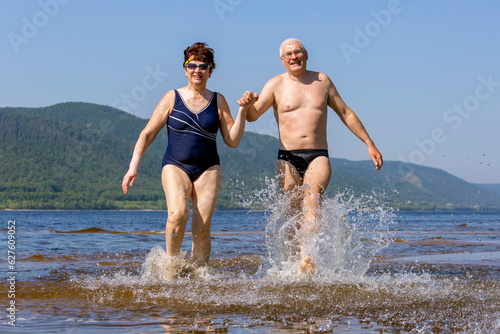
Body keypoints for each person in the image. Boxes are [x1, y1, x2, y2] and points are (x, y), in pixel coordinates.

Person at [240, 38, 383, 275]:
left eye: (298, 52)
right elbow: (253, 116)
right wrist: (245, 105)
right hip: (287, 157)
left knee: (312, 198)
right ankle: (293, 263)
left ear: (306, 54)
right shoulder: (275, 84)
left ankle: (309, 256)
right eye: (288, 54)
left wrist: (369, 143)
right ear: (282, 60)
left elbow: (346, 113)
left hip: (318, 154)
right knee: (293, 214)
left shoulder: (322, 81)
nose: (294, 57)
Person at [122, 42, 253, 278]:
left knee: (201, 226)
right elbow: (147, 133)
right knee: (177, 214)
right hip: (175, 165)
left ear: (211, 70)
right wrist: (133, 167)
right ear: (184, 69)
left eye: (203, 66)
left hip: (208, 168)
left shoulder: (218, 100)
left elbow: (232, 141)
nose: (197, 70)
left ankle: (198, 277)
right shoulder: (172, 97)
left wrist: (243, 111)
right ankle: (170, 269)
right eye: (192, 65)